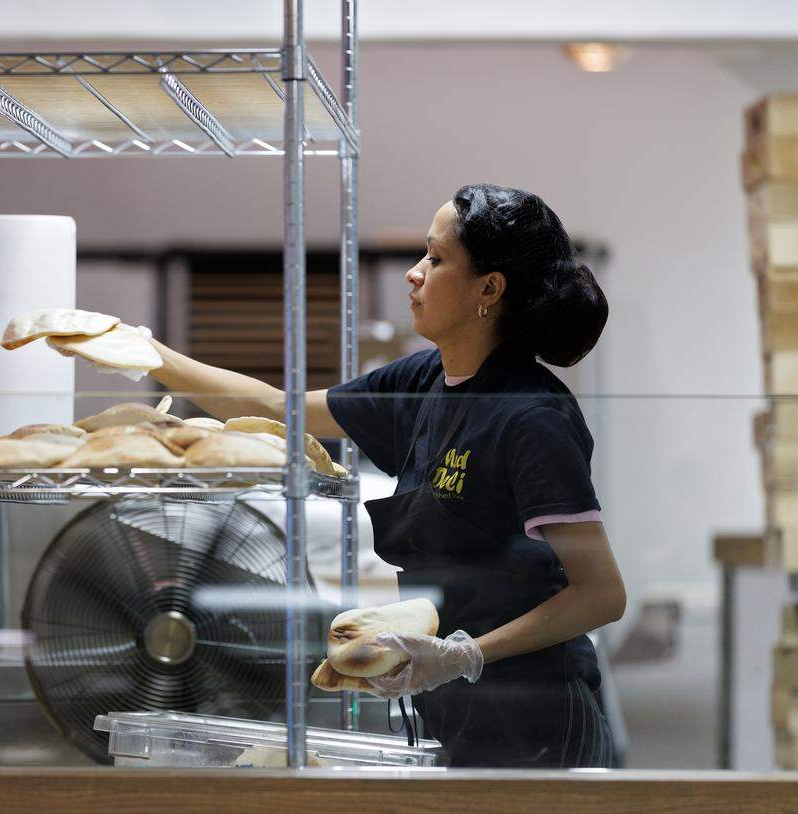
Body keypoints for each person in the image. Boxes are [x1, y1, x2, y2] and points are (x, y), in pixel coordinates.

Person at [146, 183, 626, 768]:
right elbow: (280, 410)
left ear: (489, 289)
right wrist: (150, 355)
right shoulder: (425, 382)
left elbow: (601, 594)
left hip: (538, 720)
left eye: (437, 257)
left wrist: (462, 656)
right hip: (457, 714)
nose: (413, 273)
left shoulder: (532, 417)